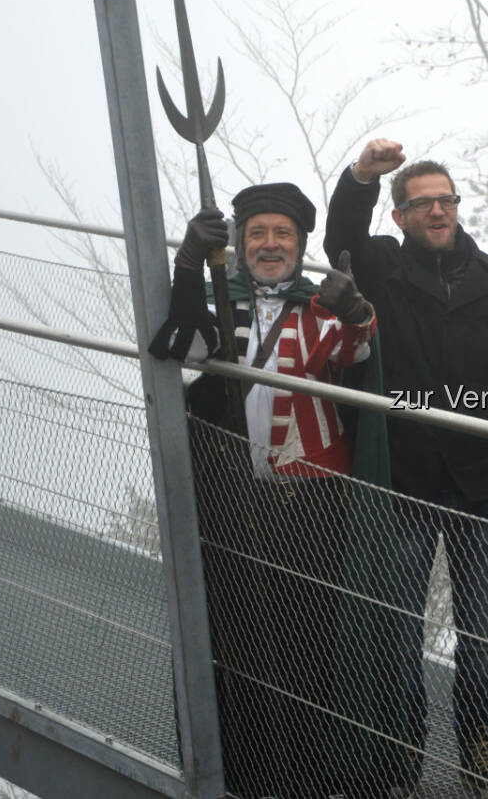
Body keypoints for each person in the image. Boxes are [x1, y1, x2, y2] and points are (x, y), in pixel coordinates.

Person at [148, 183, 377, 799]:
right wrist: (189, 263)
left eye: (282, 234)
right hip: (233, 497)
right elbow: (186, 347)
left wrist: (355, 310)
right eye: (257, 234)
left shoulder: (319, 305)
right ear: (241, 244)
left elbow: (358, 354)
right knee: (236, 632)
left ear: (300, 245)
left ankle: (301, 777)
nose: (270, 244)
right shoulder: (224, 301)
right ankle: (239, 773)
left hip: (311, 498)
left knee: (307, 638)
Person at [325, 139, 488, 798]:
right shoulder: (382, 268)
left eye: (446, 200)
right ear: (400, 217)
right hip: (407, 477)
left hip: (483, 483)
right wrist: (361, 176)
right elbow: (340, 235)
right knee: (401, 625)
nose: (438, 211)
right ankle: (405, 743)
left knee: (481, 630)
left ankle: (479, 745)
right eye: (423, 204)